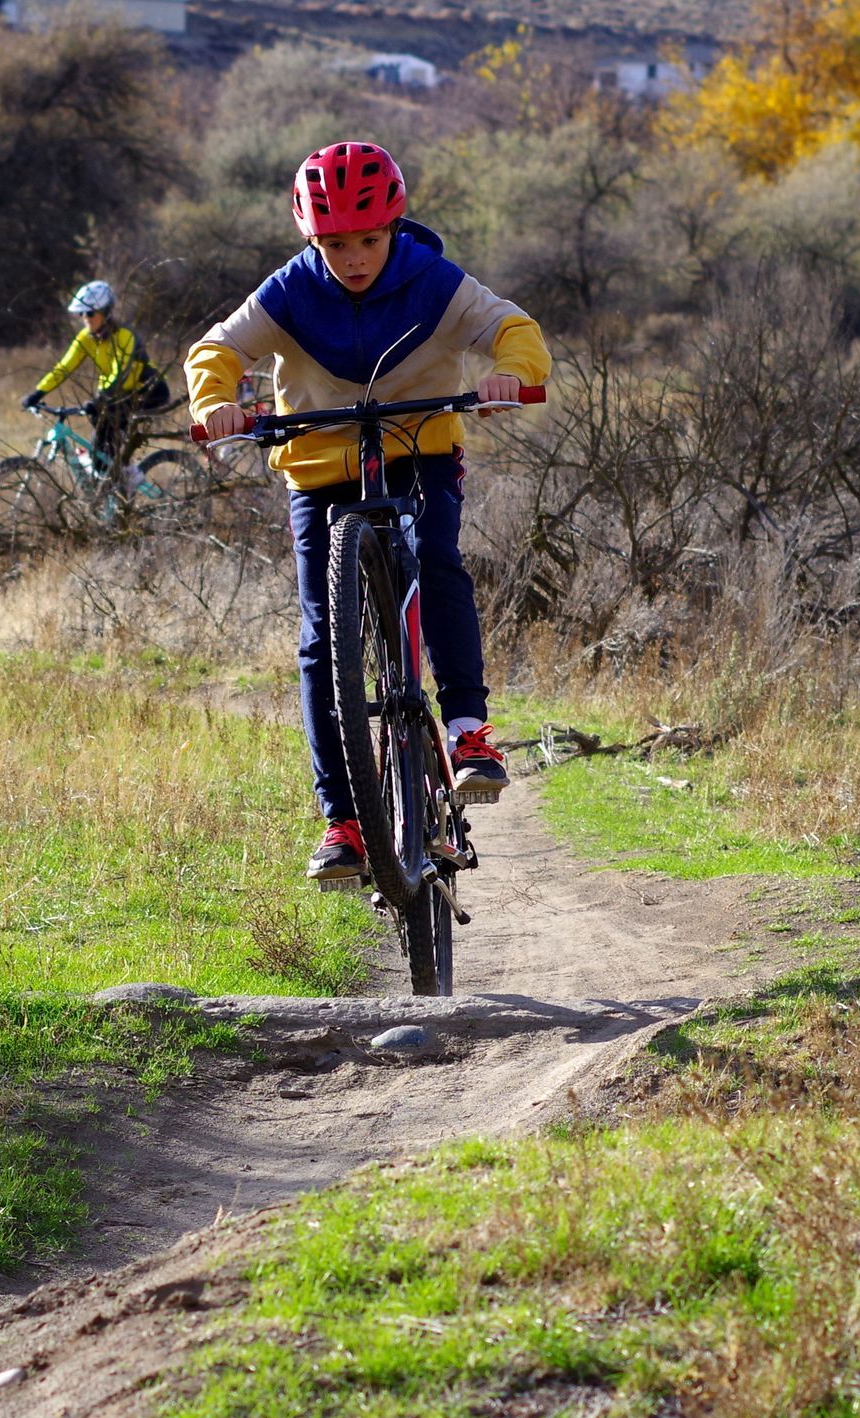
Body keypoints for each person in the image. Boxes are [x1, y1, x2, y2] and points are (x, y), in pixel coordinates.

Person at [187, 141, 552, 885]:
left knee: (440, 566)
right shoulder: (290, 291)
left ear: (395, 228)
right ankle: (345, 822)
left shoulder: (432, 282)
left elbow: (510, 328)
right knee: (323, 632)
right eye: (332, 244)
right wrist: (216, 402)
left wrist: (512, 374)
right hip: (320, 470)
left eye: (367, 240)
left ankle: (467, 732)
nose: (352, 258)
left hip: (418, 451)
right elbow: (219, 349)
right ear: (309, 238)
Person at [23, 280, 171, 486]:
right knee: (100, 454)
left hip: (149, 393)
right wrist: (37, 393)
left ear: (105, 312)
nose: (85, 318)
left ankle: (128, 477)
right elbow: (63, 368)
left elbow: (121, 374)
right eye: (81, 314)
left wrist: (101, 398)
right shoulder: (86, 338)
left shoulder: (124, 337)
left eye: (90, 313)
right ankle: (113, 486)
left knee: (109, 428)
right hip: (117, 396)